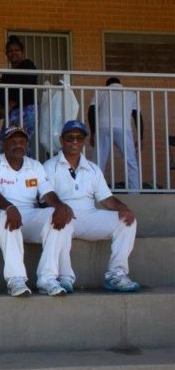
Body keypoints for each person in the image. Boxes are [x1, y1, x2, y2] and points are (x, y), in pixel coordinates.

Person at [43, 120, 140, 292]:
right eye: (70, 138)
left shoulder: (93, 169)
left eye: (79, 138)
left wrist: (123, 207)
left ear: (83, 142)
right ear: (61, 140)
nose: (74, 142)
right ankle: (64, 278)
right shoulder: (50, 166)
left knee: (127, 221)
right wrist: (61, 208)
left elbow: (107, 199)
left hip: (90, 215)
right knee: (61, 218)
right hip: (65, 215)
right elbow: (45, 196)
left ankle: (116, 275)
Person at [0, 126, 75, 296]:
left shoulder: (35, 165)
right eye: (13, 141)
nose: (19, 145)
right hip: (5, 211)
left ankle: (47, 278)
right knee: (5, 218)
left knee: (60, 216)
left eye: (22, 142)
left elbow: (47, 192)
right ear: (3, 144)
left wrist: (60, 206)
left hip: (30, 215)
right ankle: (15, 280)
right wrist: (10, 207)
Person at [0, 35, 38, 161]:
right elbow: (0, 94)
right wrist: (0, 107)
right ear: (7, 54)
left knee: (21, 141)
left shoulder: (28, 65)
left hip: (26, 111)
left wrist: (12, 104)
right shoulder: (7, 74)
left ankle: (26, 168)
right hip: (11, 113)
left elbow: (29, 88)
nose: (13, 53)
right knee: (6, 141)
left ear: (22, 52)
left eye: (16, 50)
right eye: (10, 51)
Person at [89, 77, 143, 190]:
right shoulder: (130, 93)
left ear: (107, 85)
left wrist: (93, 132)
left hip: (103, 127)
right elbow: (137, 116)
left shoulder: (101, 92)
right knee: (131, 162)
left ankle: (94, 192)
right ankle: (135, 192)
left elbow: (91, 111)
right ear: (120, 84)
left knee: (98, 162)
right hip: (124, 128)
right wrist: (141, 137)